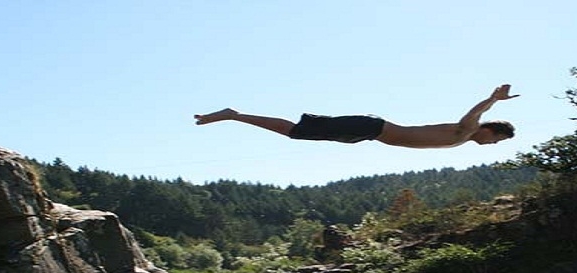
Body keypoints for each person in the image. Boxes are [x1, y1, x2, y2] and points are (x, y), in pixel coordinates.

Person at [194, 85, 518, 148]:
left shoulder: (463, 138)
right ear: (489, 129)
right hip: (372, 127)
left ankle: (235, 116)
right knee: (296, 132)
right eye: (497, 139)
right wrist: (492, 99)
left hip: (367, 133)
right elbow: (475, 112)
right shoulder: (467, 130)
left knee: (300, 133)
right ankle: (233, 115)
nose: (493, 144)